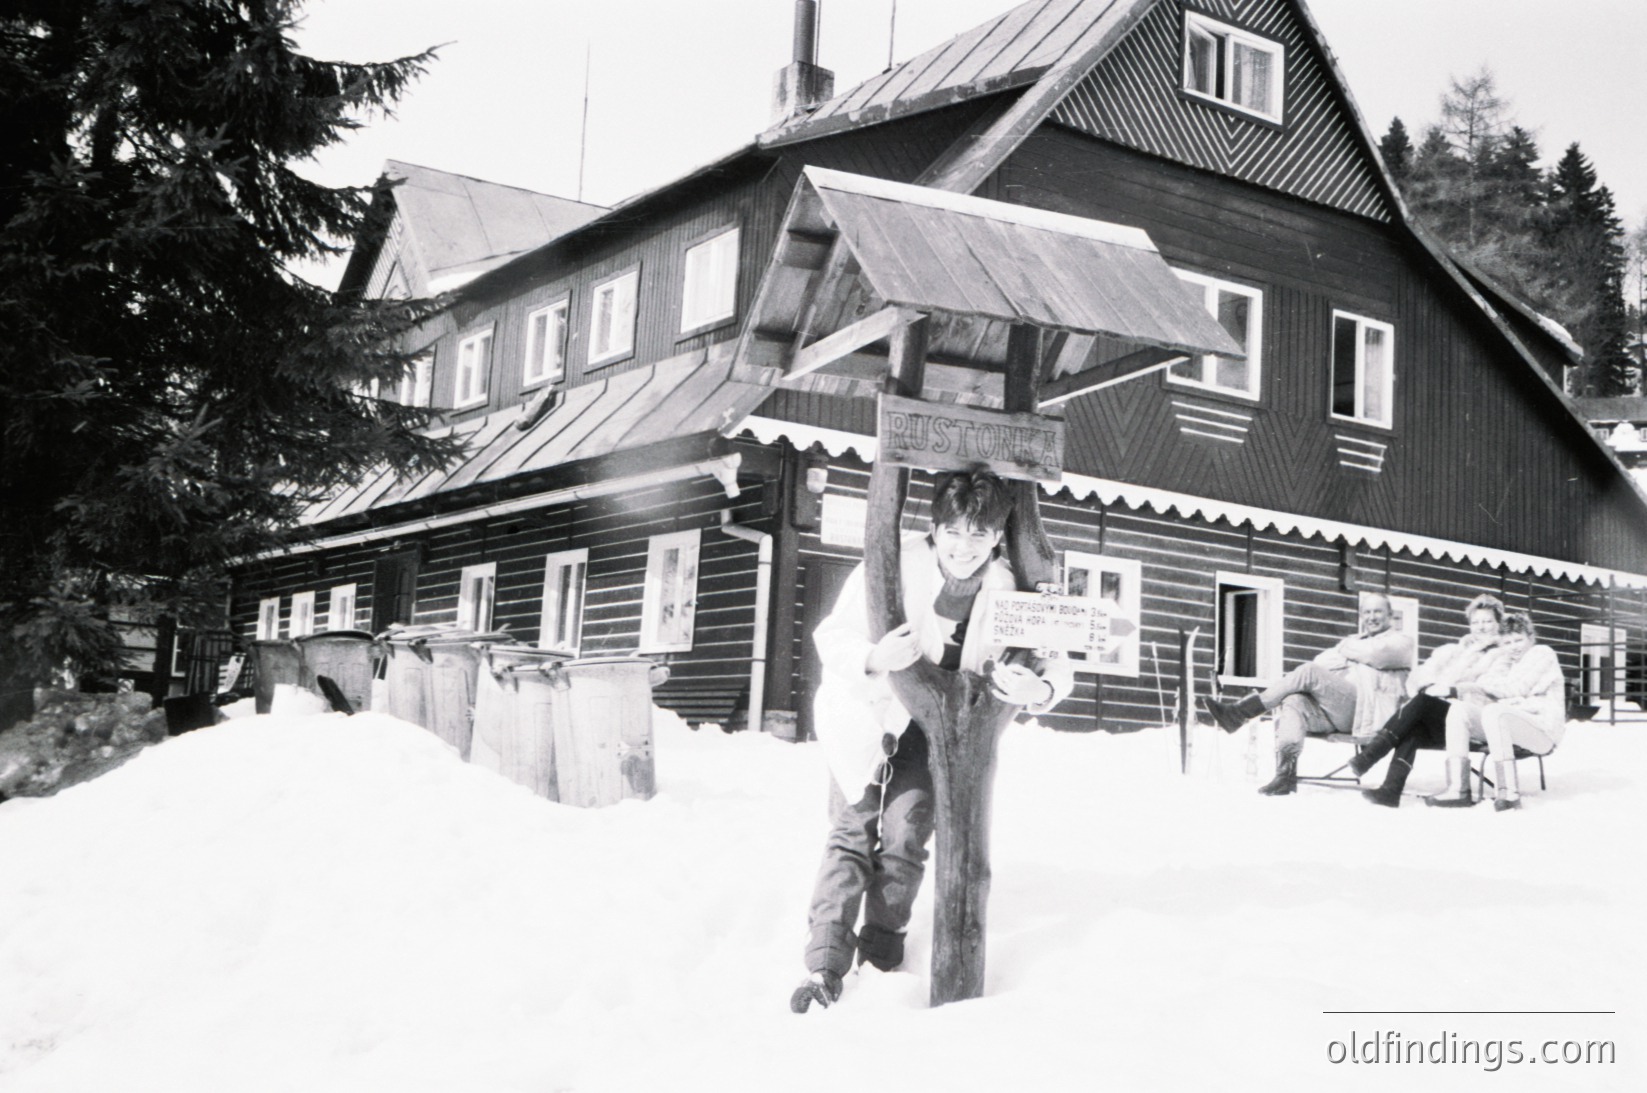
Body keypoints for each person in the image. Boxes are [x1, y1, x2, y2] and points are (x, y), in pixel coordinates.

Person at [790, 470, 1073, 1013]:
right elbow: (834, 634)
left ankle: (879, 956)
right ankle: (824, 967)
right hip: (866, 715)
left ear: (996, 538)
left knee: (906, 836)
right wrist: (874, 658)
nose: (963, 548)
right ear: (935, 530)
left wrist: (1039, 687)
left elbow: (1057, 659)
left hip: (935, 729)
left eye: (978, 535)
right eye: (952, 533)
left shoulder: (1012, 587)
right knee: (853, 832)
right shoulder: (890, 566)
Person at [1201, 592, 1414, 796]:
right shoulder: (1356, 641)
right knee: (1294, 700)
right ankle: (1285, 776)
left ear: (1390, 615)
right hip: (1338, 713)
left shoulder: (1401, 642)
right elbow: (1322, 661)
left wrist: (1349, 650)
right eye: (1367, 612)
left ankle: (1242, 712)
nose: (1372, 617)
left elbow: (1376, 654)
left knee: (1308, 672)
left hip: (1368, 714)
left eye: (1377, 612)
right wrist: (1356, 651)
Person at [1346, 594, 1505, 807]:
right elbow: (1422, 674)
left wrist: (1450, 691)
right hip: (1447, 718)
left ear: (1498, 623)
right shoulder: (1454, 652)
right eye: (1476, 622)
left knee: (1422, 703)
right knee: (1415, 724)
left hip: (1476, 721)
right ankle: (1390, 790)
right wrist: (1431, 687)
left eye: (1487, 621)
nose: (1481, 627)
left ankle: (1371, 755)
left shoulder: (1502, 654)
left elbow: (1492, 691)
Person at [1425, 610, 1565, 811]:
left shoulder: (1542, 654)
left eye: (1518, 640)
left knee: (1493, 711)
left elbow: (1516, 688)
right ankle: (1458, 789)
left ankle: (1508, 793)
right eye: (1507, 643)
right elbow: (1486, 684)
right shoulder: (1506, 663)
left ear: (1530, 638)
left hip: (1542, 730)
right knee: (1459, 710)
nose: (1513, 647)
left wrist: (1459, 689)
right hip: (1510, 726)